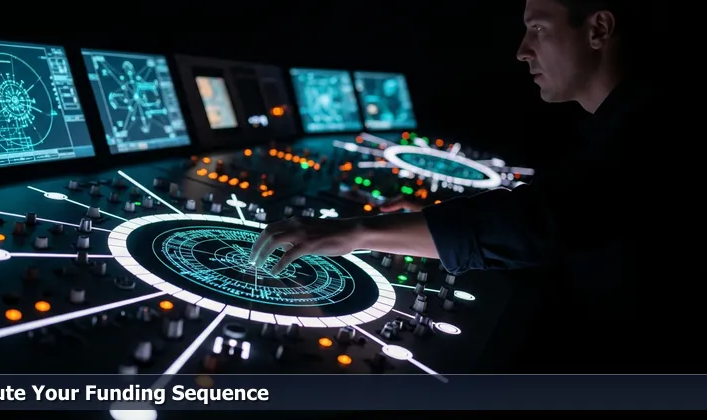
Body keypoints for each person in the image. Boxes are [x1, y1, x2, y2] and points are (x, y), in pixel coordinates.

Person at [251, 0, 678, 372]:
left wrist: (357, 231)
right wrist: (426, 213)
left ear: (598, 29)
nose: (522, 51)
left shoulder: (651, 136)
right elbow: (578, 205)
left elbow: (545, 219)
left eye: (538, 28)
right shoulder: (629, 125)